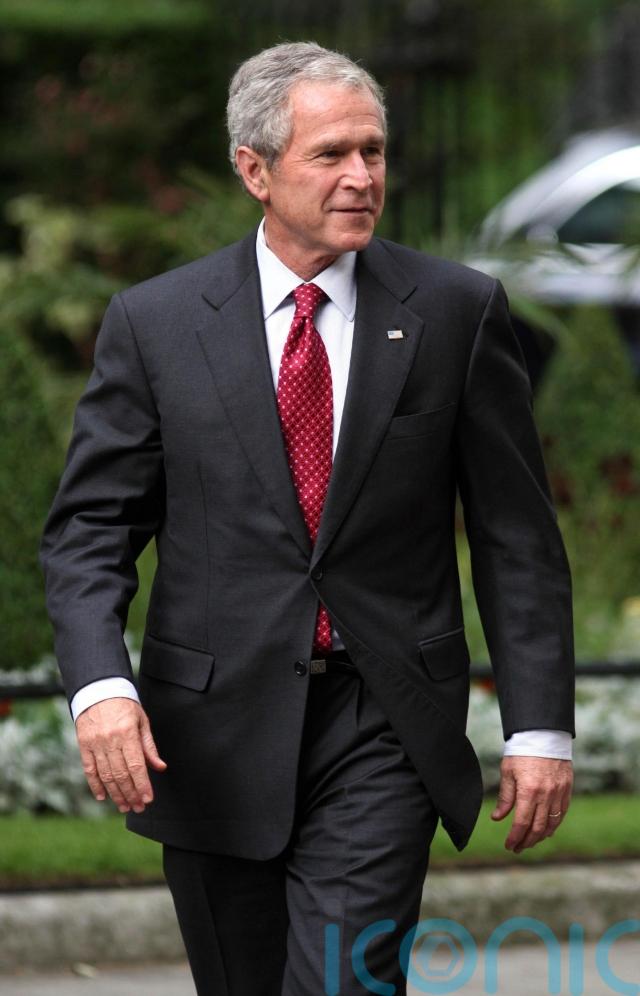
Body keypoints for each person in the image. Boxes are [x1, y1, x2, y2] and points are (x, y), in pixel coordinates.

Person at [41, 41, 575, 996]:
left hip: (385, 723)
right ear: (255, 170)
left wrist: (539, 730)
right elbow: (90, 531)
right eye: (331, 154)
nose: (362, 176)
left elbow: (517, 538)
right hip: (212, 732)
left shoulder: (457, 311)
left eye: (373, 151)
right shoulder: (157, 324)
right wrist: (100, 689)